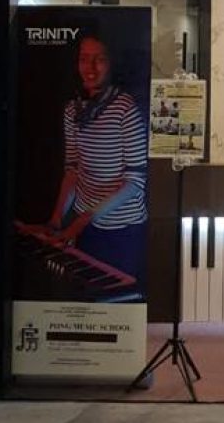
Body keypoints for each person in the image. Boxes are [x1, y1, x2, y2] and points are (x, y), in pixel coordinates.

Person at [42, 28, 148, 296]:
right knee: (84, 295)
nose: (90, 67)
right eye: (83, 59)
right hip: (85, 226)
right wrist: (56, 219)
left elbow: (135, 183)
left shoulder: (126, 109)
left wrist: (82, 221)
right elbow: (73, 170)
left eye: (99, 59)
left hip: (121, 229)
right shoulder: (72, 110)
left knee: (115, 299)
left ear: (110, 63)